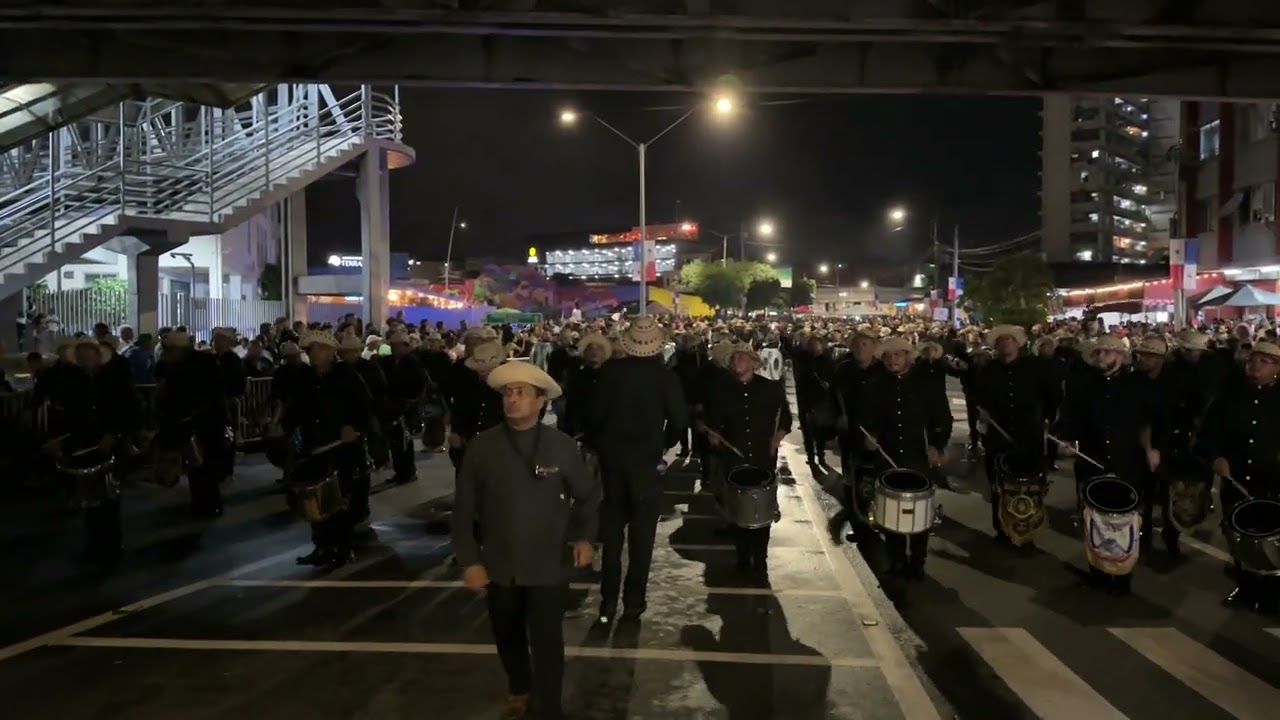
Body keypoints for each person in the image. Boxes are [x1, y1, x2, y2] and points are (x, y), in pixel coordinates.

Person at [453, 360, 601, 720]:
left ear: (540, 402)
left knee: (548, 640)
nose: (513, 399)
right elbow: (463, 509)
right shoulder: (482, 448)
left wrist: (584, 537)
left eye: (522, 393)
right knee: (508, 634)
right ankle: (520, 687)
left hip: (548, 563)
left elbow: (588, 495)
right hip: (500, 564)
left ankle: (548, 705)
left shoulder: (561, 446)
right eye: (508, 393)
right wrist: (470, 560)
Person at [589, 316, 687, 624]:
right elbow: (680, 421)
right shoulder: (664, 376)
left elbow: (592, 416)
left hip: (612, 461)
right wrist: (663, 443)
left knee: (612, 535)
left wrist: (599, 444)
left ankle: (607, 602)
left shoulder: (609, 373)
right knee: (642, 536)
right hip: (647, 461)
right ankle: (634, 602)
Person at [857, 336, 952, 579]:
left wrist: (936, 446)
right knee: (892, 512)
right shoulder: (874, 385)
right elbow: (867, 419)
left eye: (897, 354)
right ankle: (897, 559)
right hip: (887, 456)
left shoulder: (927, 384)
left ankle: (917, 562)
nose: (892, 360)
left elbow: (942, 419)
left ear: (908, 356)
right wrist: (871, 436)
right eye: (887, 356)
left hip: (917, 456)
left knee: (919, 512)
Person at [1197, 340, 1280, 615]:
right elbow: (1206, 435)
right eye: (1252, 359)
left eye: (1264, 361)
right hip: (1236, 478)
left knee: (1271, 539)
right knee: (1238, 536)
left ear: (1277, 369)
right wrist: (1216, 457)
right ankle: (1246, 588)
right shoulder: (1229, 397)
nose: (1255, 365)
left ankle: (1272, 593)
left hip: (1271, 480)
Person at [705, 343, 792, 580]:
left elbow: (785, 418)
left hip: (763, 457)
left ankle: (761, 559)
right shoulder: (720, 389)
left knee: (762, 510)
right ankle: (743, 559)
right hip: (734, 458)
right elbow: (712, 421)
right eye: (734, 358)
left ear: (754, 362)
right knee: (739, 510)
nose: (737, 362)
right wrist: (713, 434)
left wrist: (778, 436)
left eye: (742, 358)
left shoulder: (771, 389)